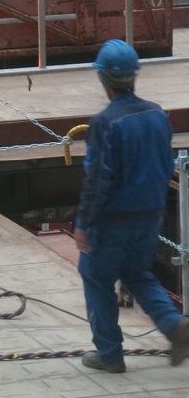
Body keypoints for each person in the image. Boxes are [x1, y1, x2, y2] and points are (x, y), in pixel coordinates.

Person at [74, 39, 189, 373]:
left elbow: (99, 180)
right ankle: (173, 324)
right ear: (134, 75)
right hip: (150, 216)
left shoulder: (105, 124)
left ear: (102, 79)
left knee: (95, 278)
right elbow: (165, 165)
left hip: (111, 221)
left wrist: (83, 223)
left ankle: (110, 354)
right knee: (138, 274)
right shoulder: (156, 114)